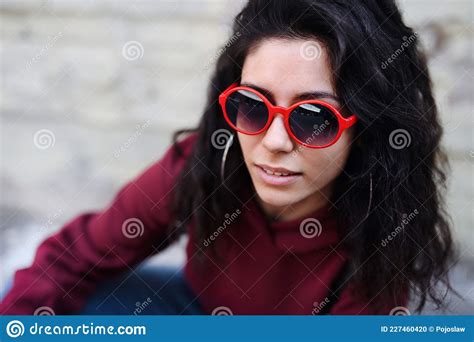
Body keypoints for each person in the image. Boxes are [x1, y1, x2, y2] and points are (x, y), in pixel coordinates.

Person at [1, 0, 454, 315]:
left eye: (313, 117)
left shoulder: (381, 234)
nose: (274, 141)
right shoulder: (201, 165)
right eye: (253, 105)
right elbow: (76, 257)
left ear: (368, 128)